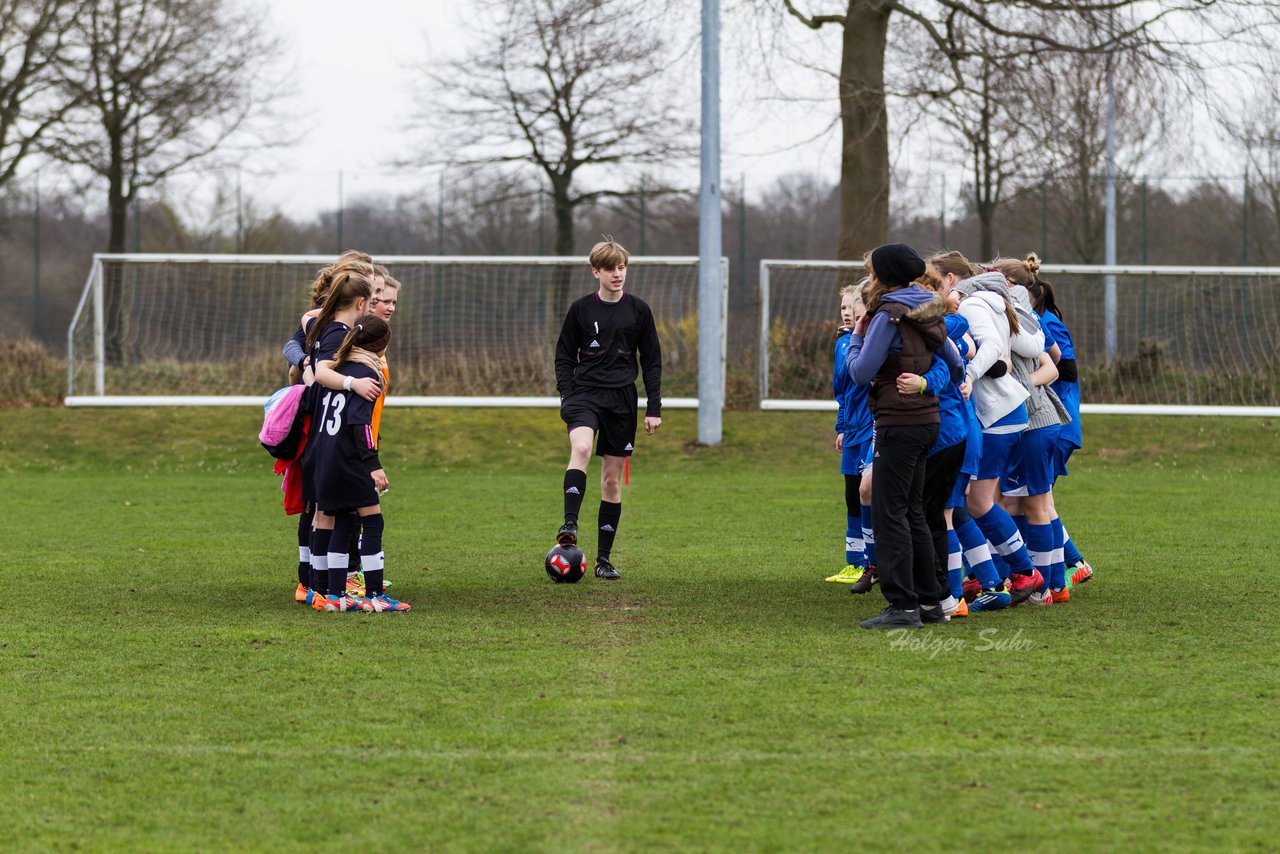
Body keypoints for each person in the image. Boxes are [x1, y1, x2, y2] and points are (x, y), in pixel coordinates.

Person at [845, 243, 963, 629]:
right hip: (929, 422)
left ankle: (902, 605)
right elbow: (957, 364)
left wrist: (858, 339)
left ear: (882, 276)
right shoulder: (931, 308)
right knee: (914, 511)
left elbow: (861, 372)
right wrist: (928, 383)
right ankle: (930, 601)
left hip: (898, 422)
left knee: (890, 513)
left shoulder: (887, 314)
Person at [553, 236, 663, 581]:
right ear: (595, 272)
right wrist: (567, 396)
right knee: (581, 447)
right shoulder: (581, 310)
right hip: (585, 395)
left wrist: (653, 407)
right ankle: (569, 523)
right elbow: (564, 357)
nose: (618, 274)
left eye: (622, 267)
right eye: (611, 268)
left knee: (612, 482)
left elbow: (653, 361)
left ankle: (603, 560)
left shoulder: (639, 310)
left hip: (622, 401)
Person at [953, 268, 1041, 610]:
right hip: (1006, 412)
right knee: (968, 502)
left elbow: (992, 346)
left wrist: (974, 372)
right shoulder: (994, 304)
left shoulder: (972, 305)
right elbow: (1033, 344)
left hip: (997, 414)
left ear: (950, 279)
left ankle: (1022, 573)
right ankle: (988, 574)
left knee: (975, 503)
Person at [310, 315, 409, 612]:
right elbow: (360, 423)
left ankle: (336, 596)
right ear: (383, 346)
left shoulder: (336, 369)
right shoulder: (368, 374)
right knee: (373, 521)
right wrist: (373, 463)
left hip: (325, 457)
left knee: (343, 521)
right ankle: (376, 597)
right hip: (349, 460)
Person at [299, 266, 380, 608]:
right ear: (360, 302)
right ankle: (327, 589)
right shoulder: (337, 333)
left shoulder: (329, 329)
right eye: (373, 300)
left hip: (321, 438)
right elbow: (319, 373)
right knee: (330, 516)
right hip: (333, 441)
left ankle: (321, 590)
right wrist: (354, 383)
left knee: (324, 514)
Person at [994, 254, 1069, 606]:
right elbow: (1050, 363)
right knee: (1029, 503)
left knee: (1032, 505)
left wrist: (1020, 392)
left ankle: (1043, 587)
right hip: (1040, 422)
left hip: (1034, 423)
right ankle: (1054, 585)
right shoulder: (1024, 318)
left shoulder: (1016, 322)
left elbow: (1055, 364)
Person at [1026, 272, 1095, 590]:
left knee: (1036, 502)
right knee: (1038, 502)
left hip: (1056, 423)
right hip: (1051, 424)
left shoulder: (1046, 322)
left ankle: (1069, 566)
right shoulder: (1037, 319)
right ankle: (1064, 567)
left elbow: (1067, 368)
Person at [826, 282, 875, 584]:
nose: (847, 313)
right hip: (854, 428)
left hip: (873, 427)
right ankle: (854, 561)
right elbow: (842, 390)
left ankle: (871, 560)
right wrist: (842, 426)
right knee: (852, 493)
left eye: (851, 307)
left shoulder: (873, 340)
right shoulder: (843, 344)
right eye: (843, 308)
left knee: (869, 492)